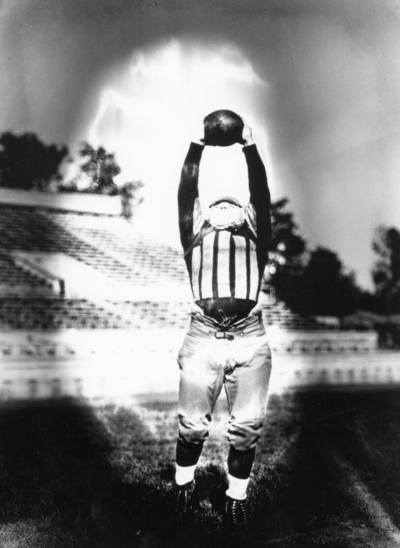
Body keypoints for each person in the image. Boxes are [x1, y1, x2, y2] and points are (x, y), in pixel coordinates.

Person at [174, 113, 272, 529]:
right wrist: (198, 144)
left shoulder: (257, 237)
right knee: (192, 424)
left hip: (249, 336)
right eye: (217, 203)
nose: (224, 205)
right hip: (203, 335)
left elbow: (261, 193)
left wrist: (248, 146)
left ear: (246, 215)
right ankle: (183, 485)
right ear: (204, 215)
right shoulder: (193, 235)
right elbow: (185, 192)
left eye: (234, 203)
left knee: (247, 425)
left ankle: (236, 497)